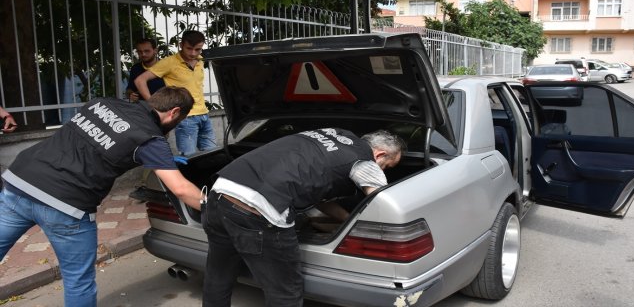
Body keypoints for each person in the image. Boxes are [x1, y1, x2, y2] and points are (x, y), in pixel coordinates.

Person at [0, 87, 205, 307]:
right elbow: (181, 188)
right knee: (78, 281)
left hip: (18, 183)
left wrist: (161, 159)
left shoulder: (100, 103)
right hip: (66, 204)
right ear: (174, 112)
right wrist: (217, 208)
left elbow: (97, 139)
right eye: (180, 120)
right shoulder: (149, 138)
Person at [201, 128, 405, 307]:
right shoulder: (365, 161)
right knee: (286, 292)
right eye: (387, 166)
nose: (384, 170)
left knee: (219, 274)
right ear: (380, 154)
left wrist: (345, 219)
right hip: (257, 210)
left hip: (219, 195)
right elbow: (382, 203)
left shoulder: (334, 133)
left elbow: (317, 194)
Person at [134, 30, 217, 156]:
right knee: (189, 159)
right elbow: (140, 80)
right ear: (181, 45)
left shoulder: (200, 59)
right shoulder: (169, 62)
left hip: (204, 114)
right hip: (185, 118)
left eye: (198, 49)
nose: (193, 53)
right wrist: (153, 105)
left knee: (214, 155)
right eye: (189, 48)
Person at [125, 38, 165, 102]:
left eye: (147, 51)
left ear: (155, 50)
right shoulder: (135, 68)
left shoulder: (166, 66)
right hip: (142, 107)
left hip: (165, 106)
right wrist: (130, 95)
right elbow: (129, 89)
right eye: (140, 52)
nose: (143, 54)